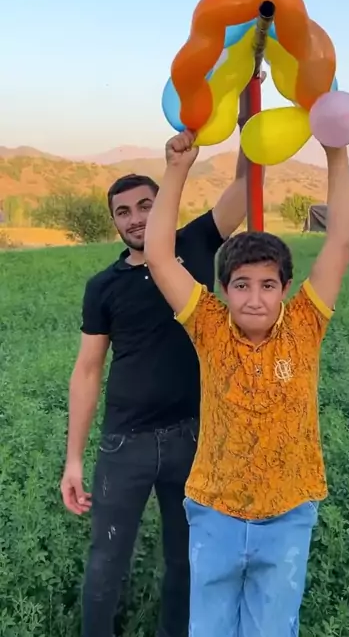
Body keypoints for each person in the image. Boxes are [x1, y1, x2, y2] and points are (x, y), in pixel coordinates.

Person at [144, 129, 349, 637]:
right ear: (223, 290)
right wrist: (176, 169)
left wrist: (336, 151)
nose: (254, 299)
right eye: (241, 285)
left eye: (267, 285)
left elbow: (341, 240)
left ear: (286, 288)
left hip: (287, 516)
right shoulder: (209, 325)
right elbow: (159, 257)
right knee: (210, 629)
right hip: (215, 514)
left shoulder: (305, 323)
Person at [60, 136, 253, 637]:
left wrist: (246, 125)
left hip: (193, 435)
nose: (136, 218)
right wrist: (74, 460)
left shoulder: (195, 242)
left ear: (163, 202)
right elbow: (87, 370)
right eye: (123, 212)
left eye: (146, 205)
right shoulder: (103, 287)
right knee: (106, 561)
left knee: (186, 558)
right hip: (125, 443)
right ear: (114, 222)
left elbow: (244, 184)